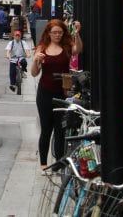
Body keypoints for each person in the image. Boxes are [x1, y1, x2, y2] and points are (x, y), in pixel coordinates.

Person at [31, 18, 83, 166]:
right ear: (48, 33)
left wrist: (77, 34)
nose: (57, 35)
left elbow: (78, 49)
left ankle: (59, 163)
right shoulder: (42, 48)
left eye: (60, 32)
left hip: (61, 92)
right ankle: (43, 164)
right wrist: (35, 60)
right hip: (45, 92)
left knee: (60, 130)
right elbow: (34, 73)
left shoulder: (67, 46)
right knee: (46, 129)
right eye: (54, 32)